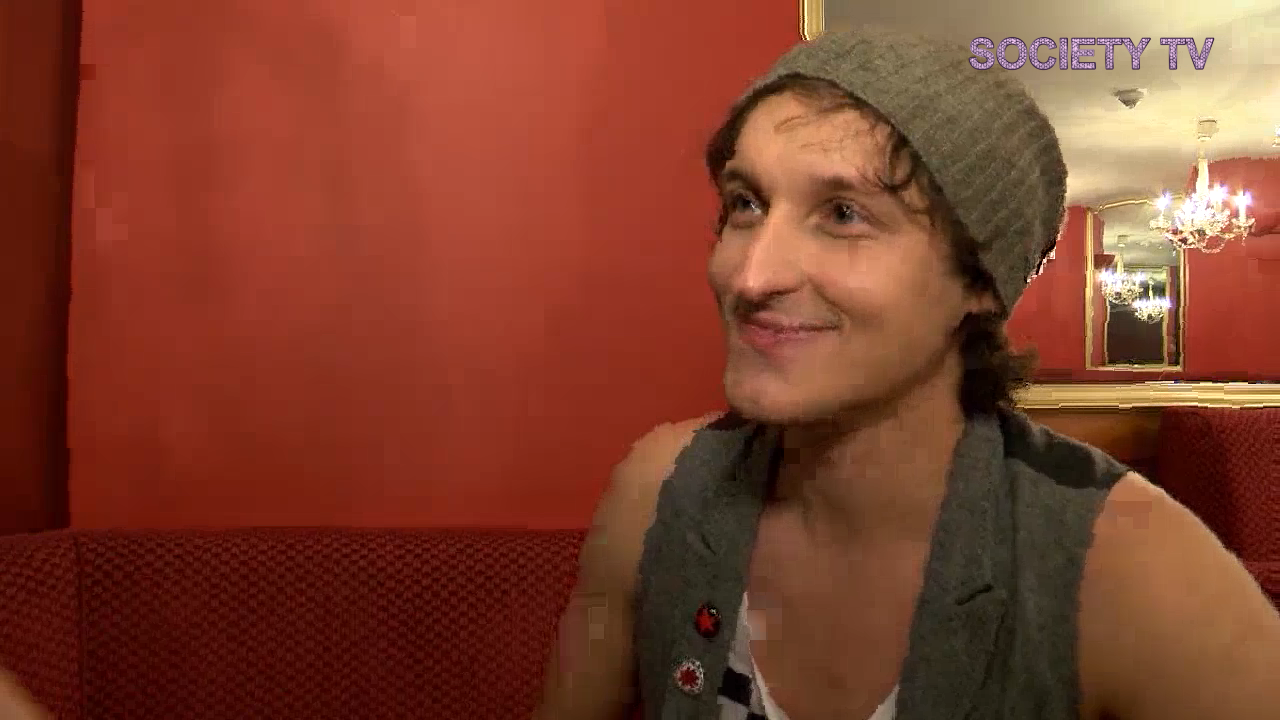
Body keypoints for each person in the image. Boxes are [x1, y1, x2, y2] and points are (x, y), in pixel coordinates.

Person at [534, 27, 1280, 720]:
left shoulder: (1127, 570)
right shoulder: (660, 496)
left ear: (979, 280)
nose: (751, 275)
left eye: (844, 215)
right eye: (746, 204)